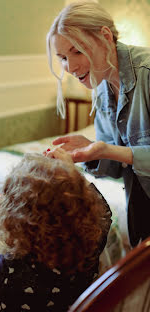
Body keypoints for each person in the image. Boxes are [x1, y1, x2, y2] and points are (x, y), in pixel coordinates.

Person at [0, 150, 111, 312]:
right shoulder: (89, 245)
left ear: (16, 221)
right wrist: (72, 174)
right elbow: (104, 212)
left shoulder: (14, 270)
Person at [46, 0, 150, 247]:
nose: (70, 67)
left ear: (105, 36)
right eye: (62, 57)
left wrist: (105, 149)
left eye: (77, 51)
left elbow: (117, 152)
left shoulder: (147, 72)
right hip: (139, 201)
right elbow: (117, 167)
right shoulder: (100, 86)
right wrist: (90, 151)